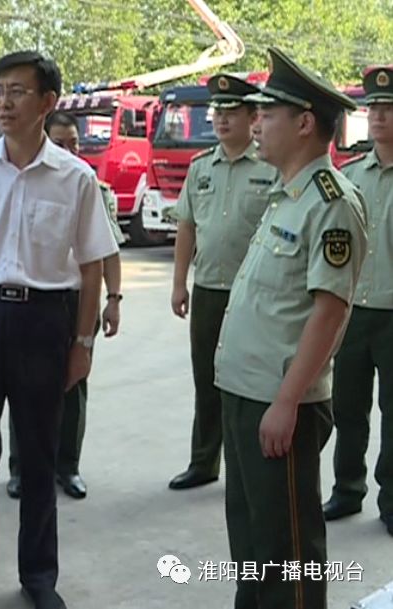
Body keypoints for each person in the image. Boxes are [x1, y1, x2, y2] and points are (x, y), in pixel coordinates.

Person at [0, 51, 118, 609]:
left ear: (47, 102)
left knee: (38, 459)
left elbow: (90, 269)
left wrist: (81, 345)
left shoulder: (76, 178)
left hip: (45, 321)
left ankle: (39, 578)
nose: (4, 102)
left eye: (17, 91)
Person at [214, 47, 367, 609]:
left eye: (267, 114)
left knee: (289, 557)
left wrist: (287, 400)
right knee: (253, 543)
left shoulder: (331, 203)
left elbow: (330, 311)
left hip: (281, 404)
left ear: (305, 123)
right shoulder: (287, 197)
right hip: (243, 393)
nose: (256, 124)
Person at [168, 74, 278, 491]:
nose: (222, 120)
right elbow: (186, 228)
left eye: (231, 112)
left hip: (254, 293)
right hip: (210, 288)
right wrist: (180, 283)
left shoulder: (270, 168)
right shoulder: (200, 168)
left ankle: (246, 465)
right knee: (207, 378)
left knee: (251, 381)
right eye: (218, 112)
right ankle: (203, 461)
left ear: (253, 118)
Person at [6, 110, 123, 501]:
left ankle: (67, 466)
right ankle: (21, 468)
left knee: (73, 383)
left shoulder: (91, 186)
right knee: (21, 386)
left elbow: (108, 253)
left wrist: (114, 299)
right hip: (35, 297)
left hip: (77, 298)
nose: (69, 149)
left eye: (75, 142)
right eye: (60, 142)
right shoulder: (25, 183)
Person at [324, 64, 393, 536]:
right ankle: (348, 489)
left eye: (389, 109)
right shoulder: (349, 177)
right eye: (374, 109)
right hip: (351, 313)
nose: (380, 118)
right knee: (347, 409)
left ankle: (392, 499)